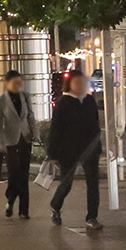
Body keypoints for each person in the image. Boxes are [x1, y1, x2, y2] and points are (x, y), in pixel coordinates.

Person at [48, 70, 103, 229]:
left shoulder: (89, 101)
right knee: (67, 183)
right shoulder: (64, 102)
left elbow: (95, 125)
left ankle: (92, 217)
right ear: (70, 84)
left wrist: (97, 145)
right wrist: (53, 152)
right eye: (76, 82)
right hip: (69, 150)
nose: (80, 85)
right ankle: (55, 205)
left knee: (93, 184)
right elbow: (55, 129)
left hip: (90, 150)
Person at [0, 70, 36, 220]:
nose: (18, 85)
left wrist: (35, 134)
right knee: (14, 173)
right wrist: (1, 142)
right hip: (10, 141)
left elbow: (30, 115)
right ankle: (10, 200)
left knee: (24, 174)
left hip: (25, 138)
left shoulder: (25, 96)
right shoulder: (0, 100)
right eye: (15, 82)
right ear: (7, 83)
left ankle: (24, 210)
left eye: (20, 82)